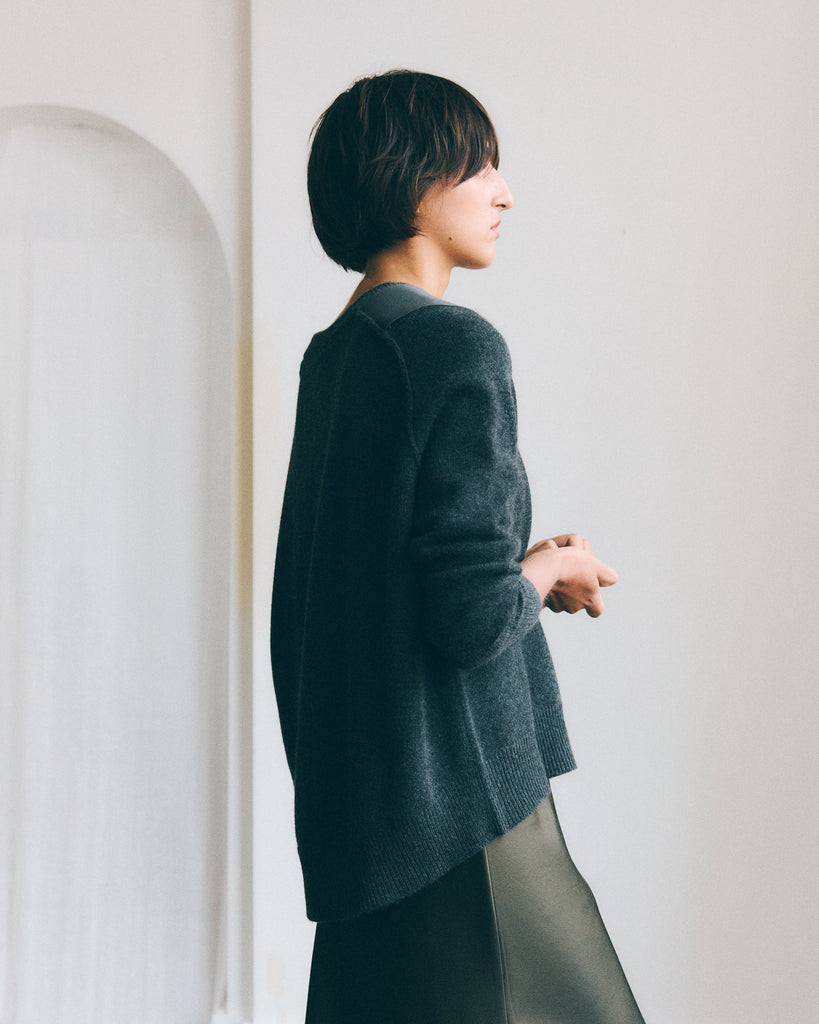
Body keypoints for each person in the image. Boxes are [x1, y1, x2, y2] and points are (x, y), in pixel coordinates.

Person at [270, 69, 645, 1023]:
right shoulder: (453, 345)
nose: (503, 192)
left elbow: (363, 587)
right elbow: (471, 615)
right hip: (463, 804)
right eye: (478, 167)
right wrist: (546, 568)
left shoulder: (340, 351)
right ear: (411, 182)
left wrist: (523, 565)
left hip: (367, 811)